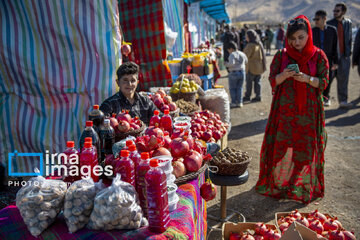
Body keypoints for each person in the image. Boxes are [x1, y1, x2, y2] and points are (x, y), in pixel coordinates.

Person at [256, 15, 329, 204]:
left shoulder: (318, 55)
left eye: (300, 37)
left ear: (308, 35)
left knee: (304, 149)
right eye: (292, 39)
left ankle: (298, 182)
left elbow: (324, 81)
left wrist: (307, 79)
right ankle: (279, 183)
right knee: (281, 146)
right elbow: (272, 80)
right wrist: (283, 75)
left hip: (308, 112)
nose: (296, 42)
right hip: (285, 112)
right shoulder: (281, 56)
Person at [327, 2, 353, 108]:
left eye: (337, 11)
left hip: (344, 56)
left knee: (344, 79)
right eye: (334, 10)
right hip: (333, 56)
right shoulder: (329, 23)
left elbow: (349, 38)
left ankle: (343, 101)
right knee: (328, 77)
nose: (335, 12)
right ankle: (326, 98)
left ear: (343, 12)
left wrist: (349, 52)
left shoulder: (348, 23)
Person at [312, 10, 338, 106]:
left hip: (329, 59)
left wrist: (336, 62)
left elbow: (335, 47)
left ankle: (326, 97)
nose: (316, 21)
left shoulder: (332, 30)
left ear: (324, 19)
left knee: (328, 78)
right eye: (315, 19)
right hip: (315, 59)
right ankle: (318, 97)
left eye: (317, 19)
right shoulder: (312, 31)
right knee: (316, 78)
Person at [243, 29, 267, 103]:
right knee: (258, 82)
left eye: (246, 36)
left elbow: (245, 56)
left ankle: (247, 96)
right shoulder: (259, 43)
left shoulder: (250, 45)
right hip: (259, 66)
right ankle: (258, 96)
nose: (245, 37)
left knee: (249, 83)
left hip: (251, 67)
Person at [225, 41, 248, 108]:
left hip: (234, 72)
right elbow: (246, 61)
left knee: (232, 88)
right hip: (242, 72)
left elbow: (231, 63)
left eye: (228, 50)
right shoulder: (242, 53)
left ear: (231, 49)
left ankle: (234, 102)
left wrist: (226, 64)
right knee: (240, 88)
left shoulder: (232, 54)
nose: (229, 51)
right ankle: (240, 102)